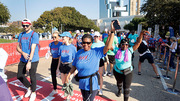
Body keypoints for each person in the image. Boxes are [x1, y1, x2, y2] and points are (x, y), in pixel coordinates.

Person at [65, 22, 115, 101]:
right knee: (85, 99)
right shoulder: (79, 52)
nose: (85, 44)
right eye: (84, 42)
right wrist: (68, 75)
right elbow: (74, 65)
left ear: (91, 43)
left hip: (92, 83)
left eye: (88, 43)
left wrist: (112, 32)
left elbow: (108, 46)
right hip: (82, 83)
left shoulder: (96, 52)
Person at [113, 30, 145, 101]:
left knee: (126, 88)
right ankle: (119, 90)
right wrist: (112, 33)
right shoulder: (116, 50)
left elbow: (138, 42)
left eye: (126, 44)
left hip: (128, 72)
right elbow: (109, 46)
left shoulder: (130, 50)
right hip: (117, 71)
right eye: (123, 44)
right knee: (119, 83)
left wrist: (141, 34)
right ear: (120, 45)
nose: (125, 46)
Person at [16, 18, 39, 101]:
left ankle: (33, 92)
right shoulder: (21, 34)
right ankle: (29, 87)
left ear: (30, 25)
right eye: (23, 25)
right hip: (23, 58)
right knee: (19, 75)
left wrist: (29, 62)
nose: (25, 27)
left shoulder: (34, 34)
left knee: (32, 76)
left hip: (33, 59)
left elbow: (33, 49)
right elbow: (17, 47)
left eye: (27, 25)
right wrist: (23, 53)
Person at [91, 31, 105, 95]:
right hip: (93, 61)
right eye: (95, 36)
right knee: (94, 75)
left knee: (100, 75)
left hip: (100, 61)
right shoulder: (92, 44)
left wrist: (106, 59)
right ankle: (95, 88)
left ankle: (100, 89)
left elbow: (105, 52)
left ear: (99, 37)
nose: (96, 37)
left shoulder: (102, 43)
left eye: (97, 36)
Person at [49, 31, 63, 95]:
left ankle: (66, 88)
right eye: (52, 37)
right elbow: (50, 52)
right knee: (53, 75)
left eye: (55, 37)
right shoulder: (51, 44)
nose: (53, 38)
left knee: (62, 76)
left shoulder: (61, 44)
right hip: (53, 61)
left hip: (59, 61)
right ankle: (55, 89)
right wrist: (49, 54)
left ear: (58, 37)